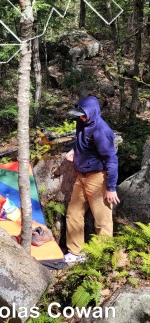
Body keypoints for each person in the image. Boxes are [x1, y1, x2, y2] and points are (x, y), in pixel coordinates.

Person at [64, 95, 120, 263]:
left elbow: (111, 159)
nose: (80, 118)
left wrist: (111, 187)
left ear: (92, 113)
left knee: (102, 219)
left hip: (97, 179)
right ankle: (75, 253)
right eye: (78, 115)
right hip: (80, 176)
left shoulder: (101, 130)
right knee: (73, 214)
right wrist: (74, 150)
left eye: (83, 115)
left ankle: (101, 257)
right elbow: (81, 141)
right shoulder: (82, 121)